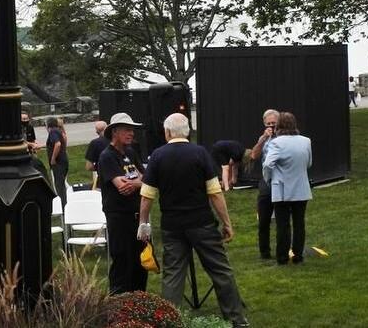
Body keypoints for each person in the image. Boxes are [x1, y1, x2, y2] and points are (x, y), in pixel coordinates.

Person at [138, 114, 248, 327]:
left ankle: (168, 323)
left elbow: (146, 196)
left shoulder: (158, 156)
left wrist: (143, 224)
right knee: (220, 271)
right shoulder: (200, 153)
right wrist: (226, 223)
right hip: (202, 223)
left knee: (172, 276)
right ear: (187, 131)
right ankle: (237, 319)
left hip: (172, 226)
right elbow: (215, 193)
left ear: (167, 132)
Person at [97, 113, 147, 294]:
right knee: (122, 261)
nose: (131, 133)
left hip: (137, 216)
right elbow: (122, 186)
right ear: (115, 132)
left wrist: (137, 183)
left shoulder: (131, 152)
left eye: (132, 130)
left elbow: (146, 179)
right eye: (127, 130)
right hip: (119, 217)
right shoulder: (107, 156)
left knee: (140, 262)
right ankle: (119, 302)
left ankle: (140, 300)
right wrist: (140, 182)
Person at [263, 112, 313, 265]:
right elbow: (309, 163)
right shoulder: (306, 141)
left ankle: (282, 257)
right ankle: (298, 255)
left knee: (283, 224)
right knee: (299, 223)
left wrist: (268, 178)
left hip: (282, 189)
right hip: (301, 187)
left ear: (279, 126)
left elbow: (267, 164)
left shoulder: (276, 143)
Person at [248, 109, 279, 260]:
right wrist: (263, 139)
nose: (271, 126)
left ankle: (283, 248)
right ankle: (264, 252)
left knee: (282, 218)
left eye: (274, 123)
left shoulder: (284, 137)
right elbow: (253, 155)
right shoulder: (263, 138)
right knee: (263, 219)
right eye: (268, 124)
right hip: (266, 181)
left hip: (281, 180)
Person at [45, 117, 69, 205]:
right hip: (63, 161)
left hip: (58, 163)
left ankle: (63, 206)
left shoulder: (53, 132)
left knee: (59, 186)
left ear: (48, 125)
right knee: (61, 184)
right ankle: (64, 204)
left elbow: (57, 144)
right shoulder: (58, 131)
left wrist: (53, 159)